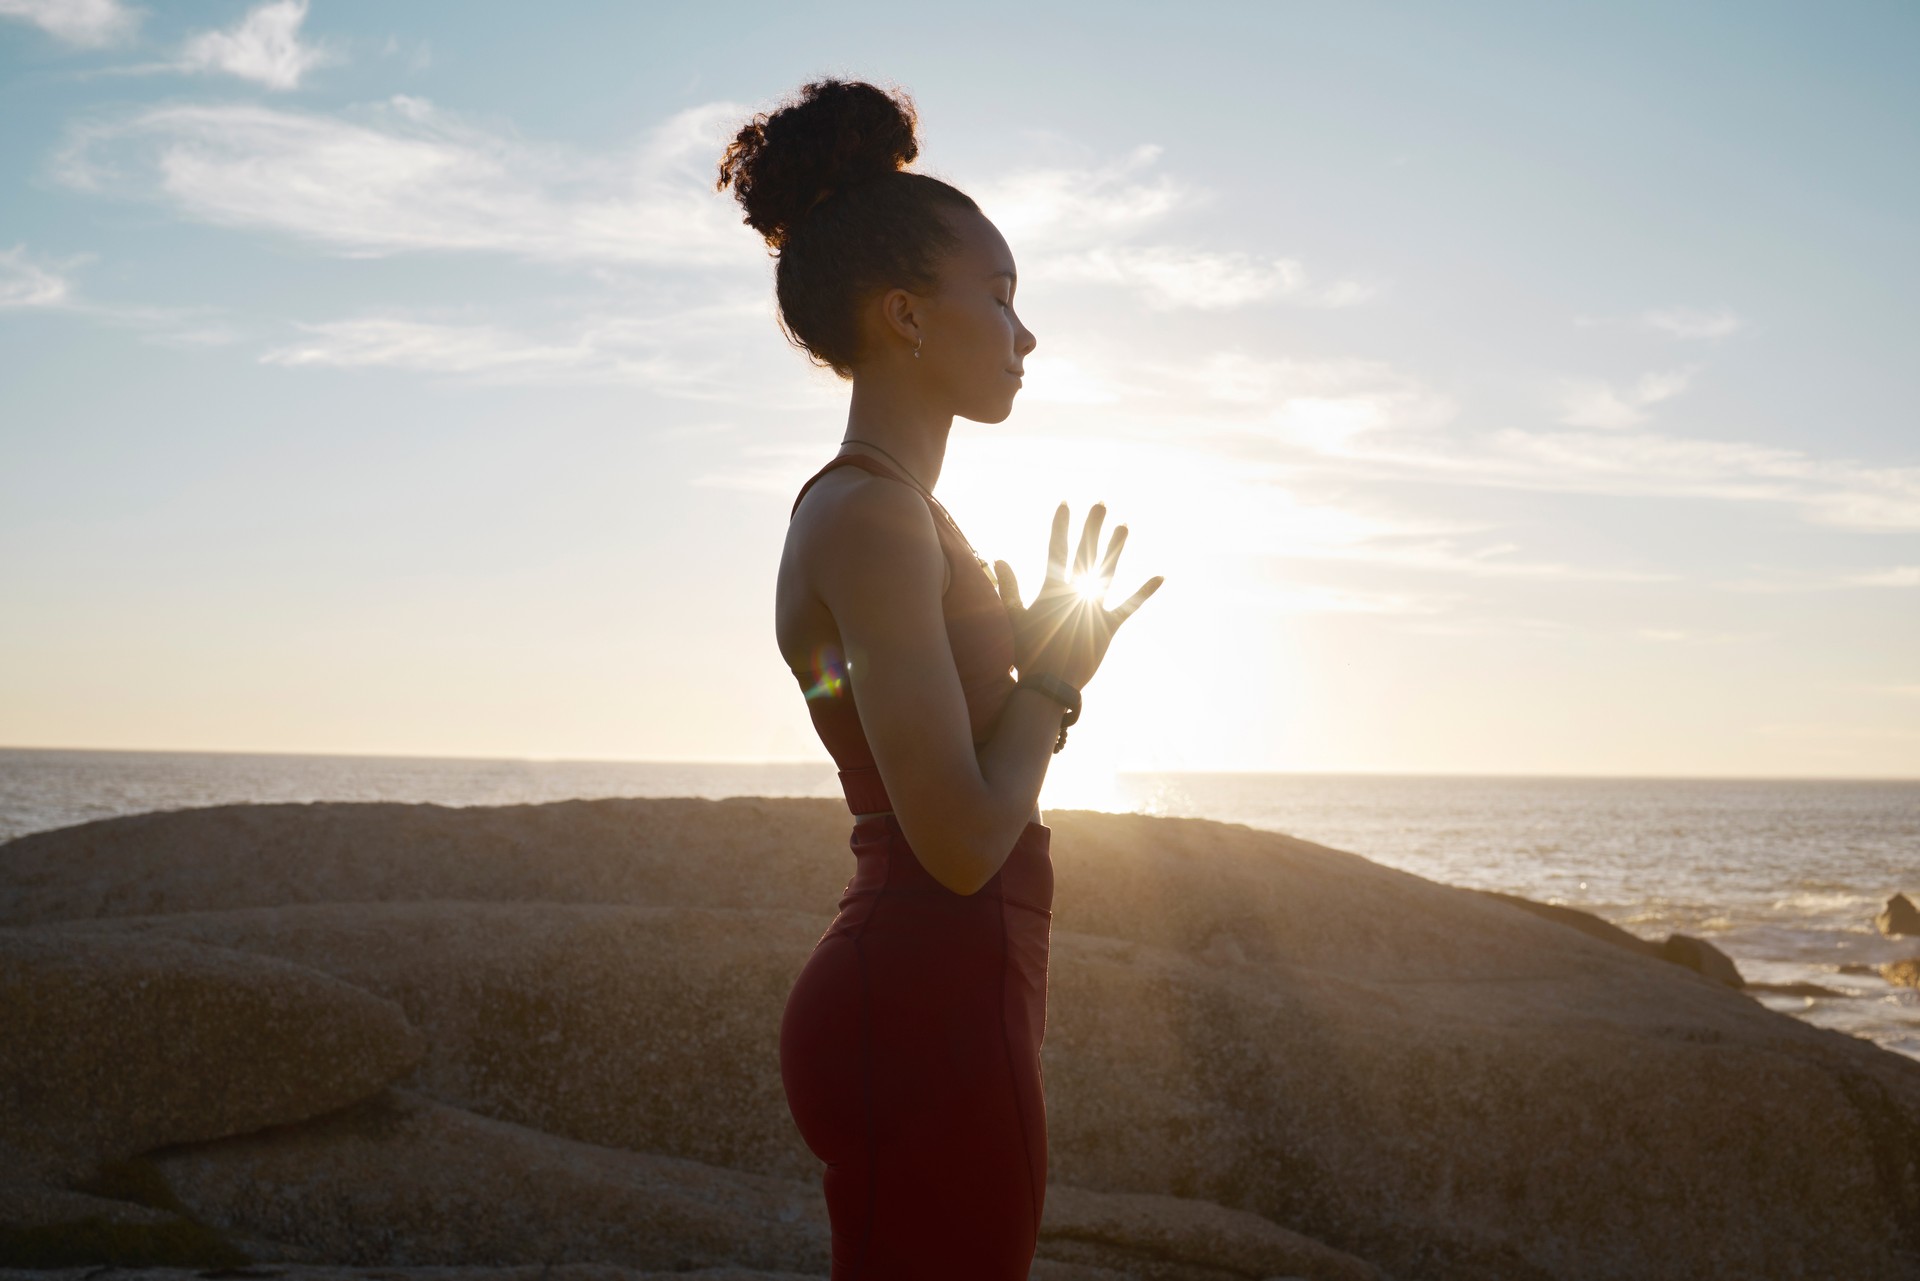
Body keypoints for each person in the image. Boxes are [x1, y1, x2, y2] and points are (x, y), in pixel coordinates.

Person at [717, 77, 1163, 1280]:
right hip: (925, 995)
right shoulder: (873, 518)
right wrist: (1053, 687)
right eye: (1004, 296)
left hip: (932, 989)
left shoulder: (897, 514)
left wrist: (1028, 683)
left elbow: (952, 783)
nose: (1026, 333)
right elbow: (958, 841)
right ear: (906, 316)